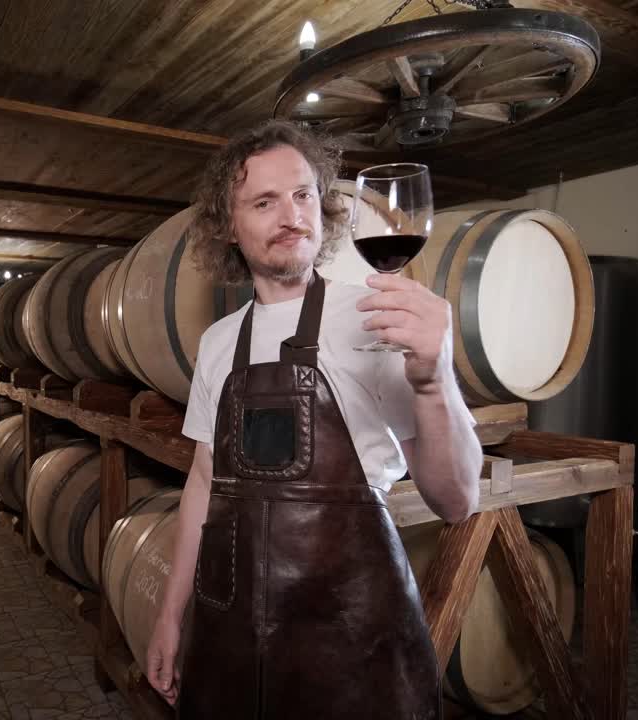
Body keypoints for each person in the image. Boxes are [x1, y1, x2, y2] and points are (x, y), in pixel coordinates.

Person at [144, 120, 483, 719]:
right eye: (264, 202)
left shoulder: (377, 320)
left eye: (303, 194)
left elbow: (456, 501)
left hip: (354, 637)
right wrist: (170, 616)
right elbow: (203, 483)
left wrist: (434, 381)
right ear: (229, 226)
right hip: (234, 633)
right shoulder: (219, 343)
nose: (291, 215)